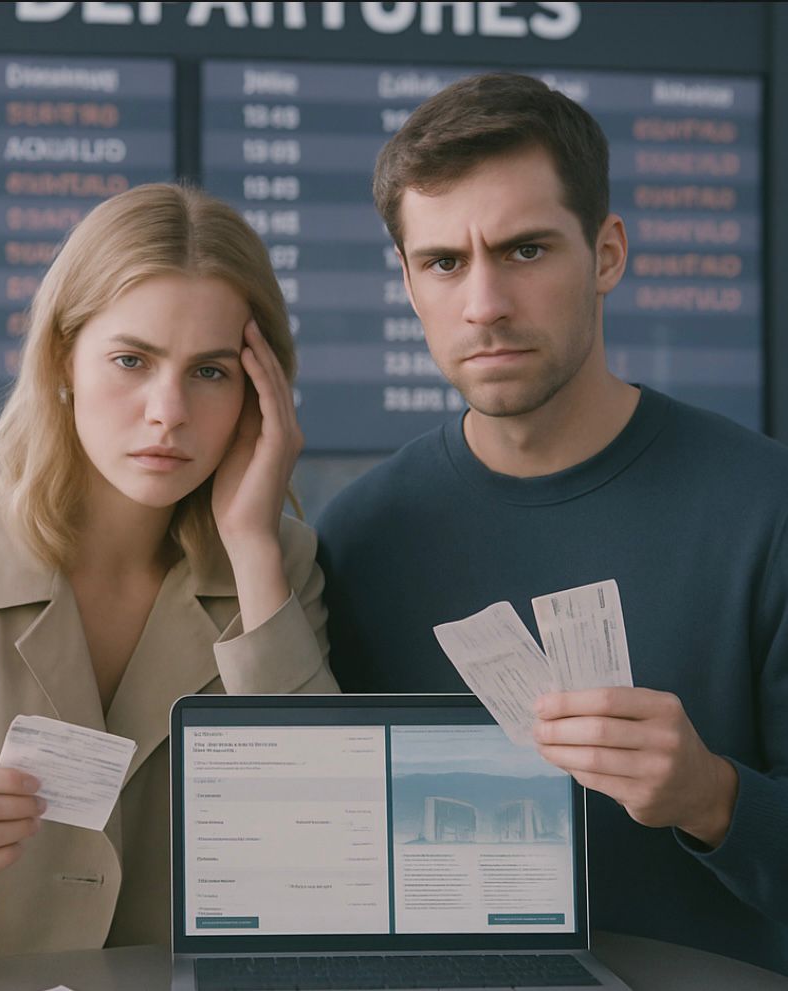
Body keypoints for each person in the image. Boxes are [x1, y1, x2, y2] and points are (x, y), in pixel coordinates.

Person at [0, 184, 338, 972]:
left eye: (211, 372)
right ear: (61, 359)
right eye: (131, 360)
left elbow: (329, 853)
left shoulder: (279, 566)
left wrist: (252, 545)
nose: (167, 411)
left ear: (263, 393)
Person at [316, 73, 788, 974]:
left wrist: (713, 796)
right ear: (409, 285)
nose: (484, 303)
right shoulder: (357, 538)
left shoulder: (767, 510)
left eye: (525, 251)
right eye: (444, 262)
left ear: (606, 253)